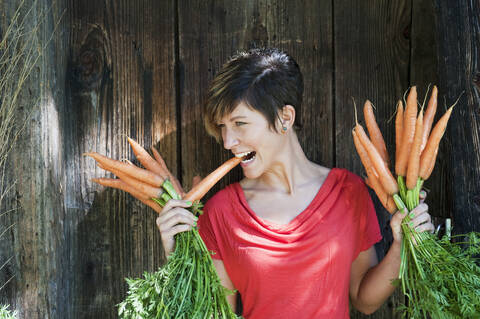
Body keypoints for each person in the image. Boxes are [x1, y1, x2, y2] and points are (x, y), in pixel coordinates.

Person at [156, 48, 434, 318]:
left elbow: (364, 300)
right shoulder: (220, 213)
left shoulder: (348, 192)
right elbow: (217, 315)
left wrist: (401, 245)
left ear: (284, 118)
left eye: (239, 123)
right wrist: (177, 258)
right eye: (222, 127)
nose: (228, 142)